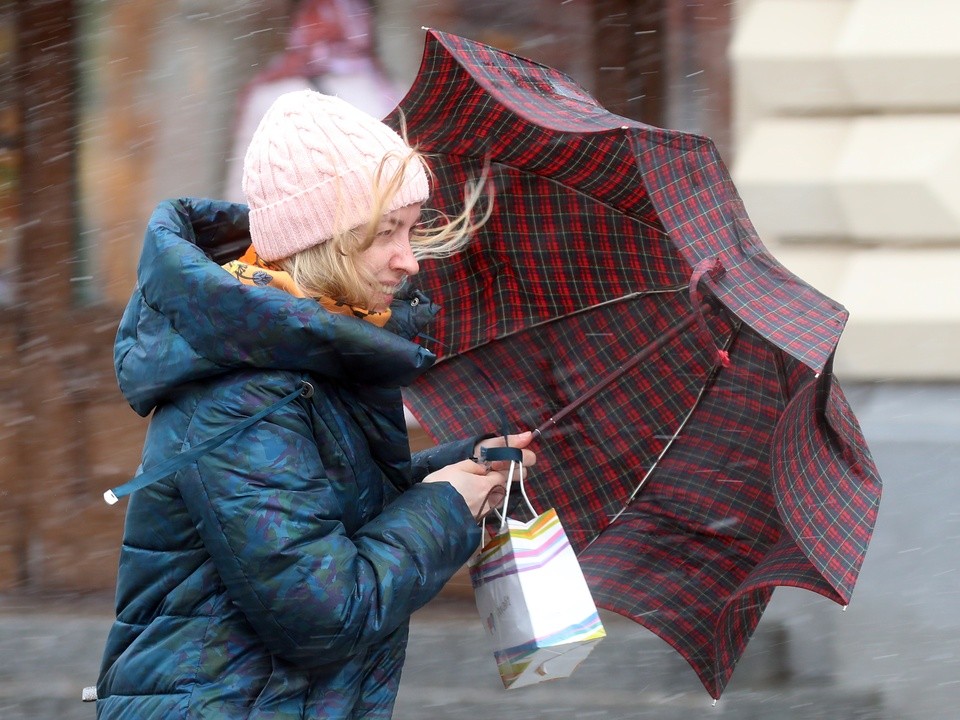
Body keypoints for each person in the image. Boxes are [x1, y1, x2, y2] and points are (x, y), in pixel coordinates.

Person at [94, 89, 535, 719]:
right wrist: (448, 503)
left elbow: (319, 511)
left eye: (411, 230)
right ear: (322, 239)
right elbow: (326, 611)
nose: (409, 259)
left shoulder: (296, 357)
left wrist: (463, 466)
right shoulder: (243, 394)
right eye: (387, 233)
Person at [223, 0, 400, 202]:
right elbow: (245, 195)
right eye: (316, 11)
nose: (329, 19)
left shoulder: (392, 89)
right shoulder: (274, 95)